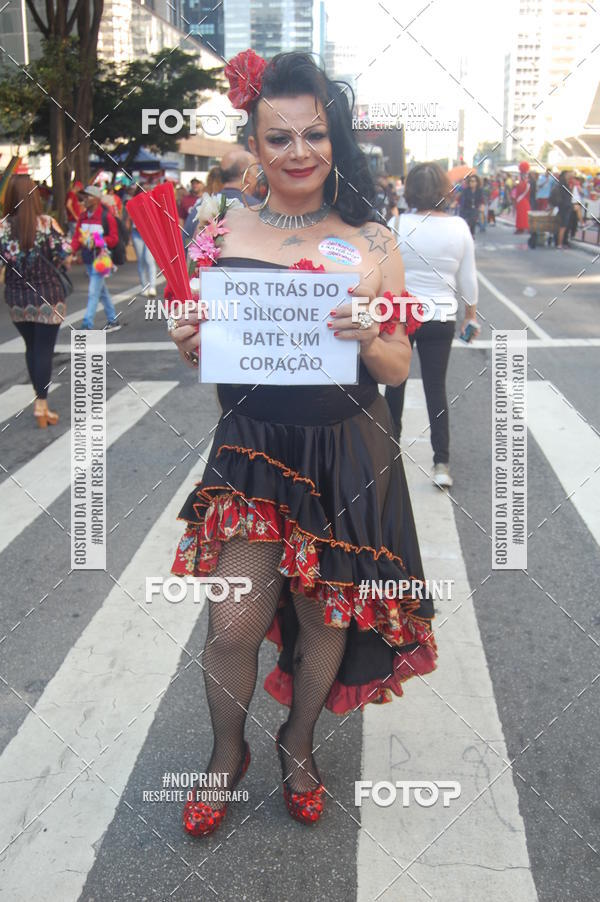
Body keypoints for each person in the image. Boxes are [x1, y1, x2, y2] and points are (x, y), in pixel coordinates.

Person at [167, 49, 438, 835]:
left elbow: (397, 362)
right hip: (251, 452)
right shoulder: (219, 231)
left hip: (345, 453)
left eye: (312, 135)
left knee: (326, 619)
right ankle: (227, 754)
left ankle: (297, 743)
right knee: (232, 625)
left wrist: (366, 335)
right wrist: (189, 337)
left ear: (334, 137)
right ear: (254, 144)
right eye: (277, 138)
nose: (297, 153)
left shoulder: (372, 238)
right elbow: (204, 350)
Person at [386, 163, 479, 489]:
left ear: (410, 190)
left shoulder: (396, 224)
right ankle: (441, 462)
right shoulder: (459, 227)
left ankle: (388, 454)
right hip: (441, 316)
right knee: (435, 388)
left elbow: (382, 273)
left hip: (400, 315)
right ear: (443, 190)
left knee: (394, 383)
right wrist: (471, 315)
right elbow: (467, 279)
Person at [0, 169, 71, 427]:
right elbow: (65, 253)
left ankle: (39, 400)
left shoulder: (2, 228)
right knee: (44, 349)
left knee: (31, 348)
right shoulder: (47, 224)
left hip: (17, 298)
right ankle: (42, 404)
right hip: (48, 296)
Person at [71, 185, 121, 330]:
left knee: (93, 291)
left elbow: (114, 239)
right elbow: (77, 237)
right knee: (102, 291)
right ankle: (113, 320)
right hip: (87, 258)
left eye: (88, 197)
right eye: (83, 197)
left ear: (97, 199)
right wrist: (71, 252)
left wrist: (97, 240)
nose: (84, 200)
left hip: (102, 260)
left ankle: (87, 323)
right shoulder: (83, 216)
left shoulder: (107, 217)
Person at [183, 149, 259, 239]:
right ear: (248, 176)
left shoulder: (200, 209)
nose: (258, 176)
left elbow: (185, 246)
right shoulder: (258, 211)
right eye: (257, 171)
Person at [125, 186, 157, 296]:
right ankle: (144, 287)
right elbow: (128, 220)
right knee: (141, 261)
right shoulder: (133, 203)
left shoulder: (153, 203)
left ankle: (152, 286)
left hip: (149, 234)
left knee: (149, 260)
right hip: (137, 233)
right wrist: (128, 236)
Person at [551, 170, 573, 248]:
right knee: (563, 226)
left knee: (562, 226)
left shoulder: (563, 184)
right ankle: (560, 244)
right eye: (569, 174)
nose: (571, 176)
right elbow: (565, 197)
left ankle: (560, 242)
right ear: (564, 175)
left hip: (563, 206)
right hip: (564, 207)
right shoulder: (563, 185)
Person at [514, 161, 531, 233]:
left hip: (522, 200)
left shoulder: (523, 182)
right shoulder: (525, 182)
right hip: (523, 200)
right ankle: (521, 227)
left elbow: (520, 190)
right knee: (521, 215)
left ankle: (521, 228)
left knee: (522, 215)